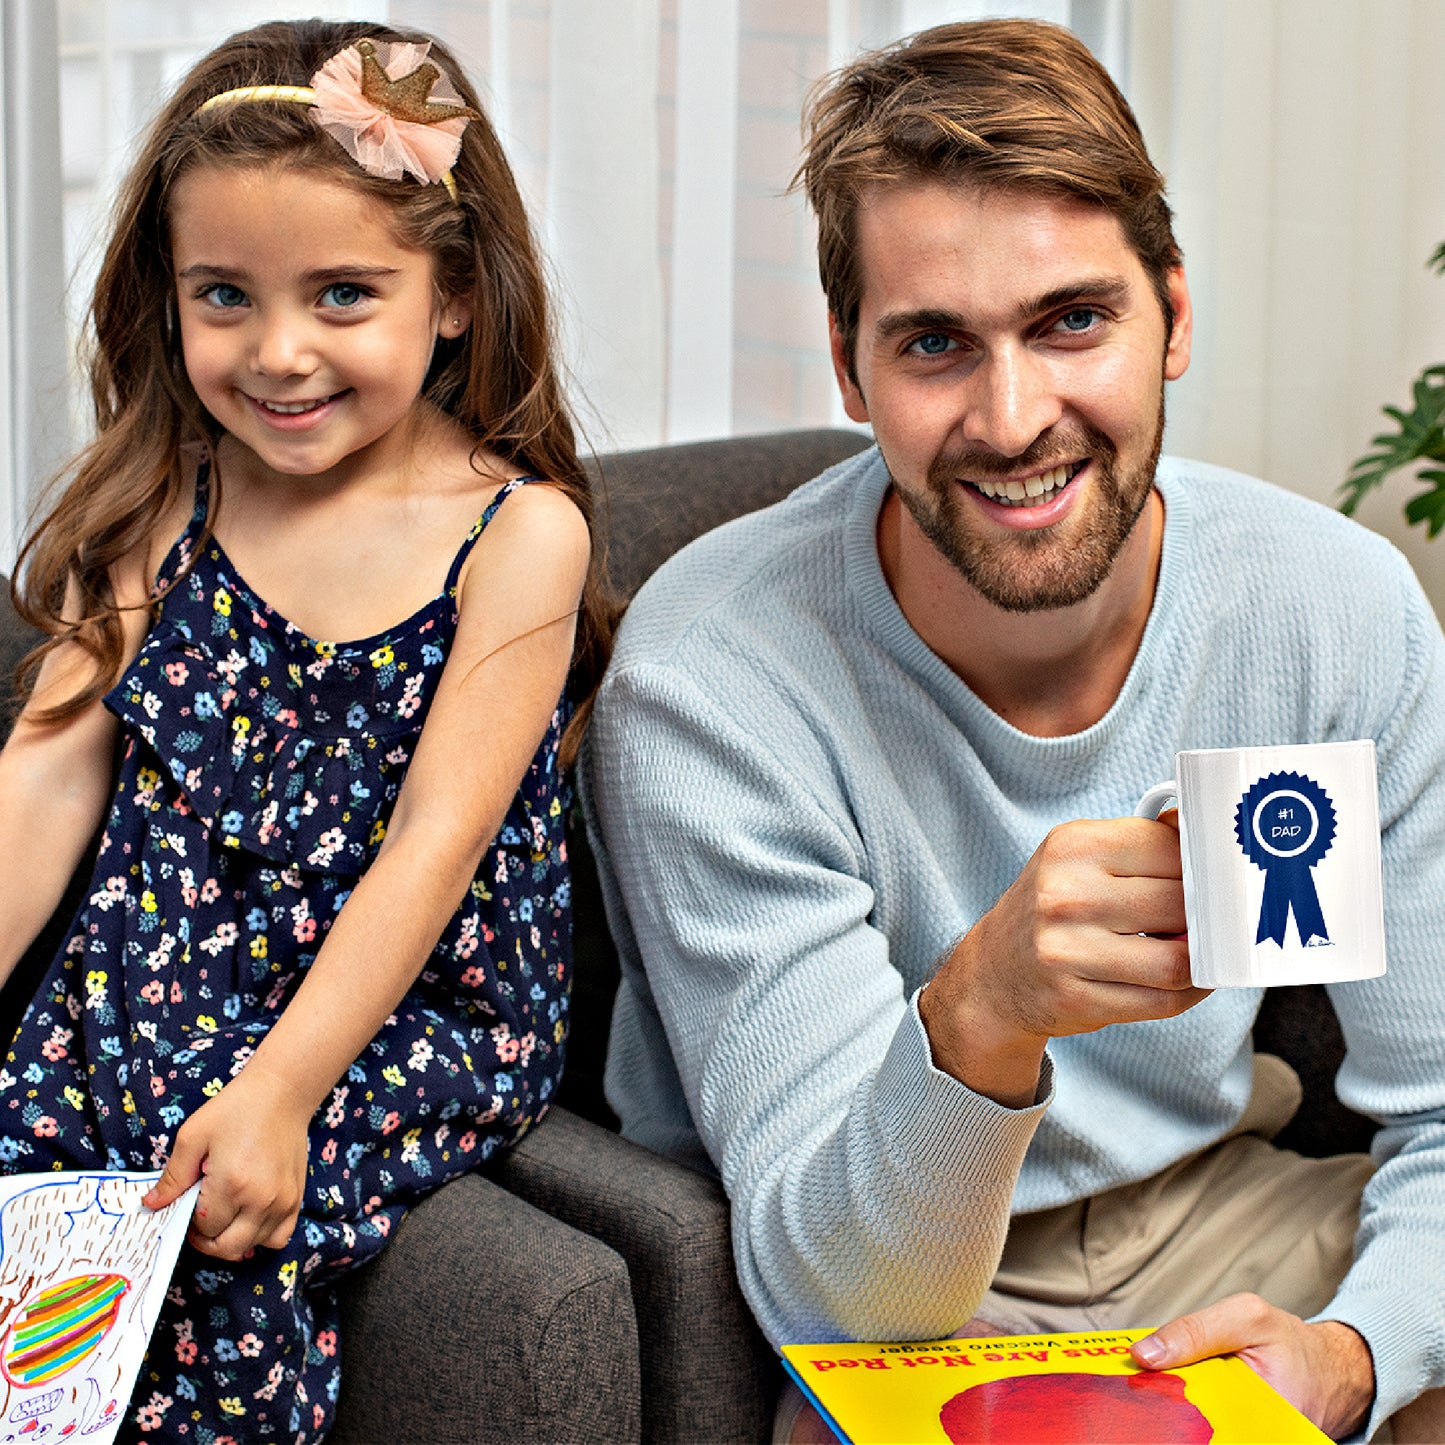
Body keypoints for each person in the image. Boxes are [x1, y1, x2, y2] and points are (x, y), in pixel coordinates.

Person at [582, 19, 1445, 1444]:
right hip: (907, 1291)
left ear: (1171, 311)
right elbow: (832, 1294)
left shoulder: (1331, 607)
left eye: (1071, 320)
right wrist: (978, 1011)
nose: (1011, 415)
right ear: (852, 375)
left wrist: (1352, 1352)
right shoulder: (711, 669)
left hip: (1233, 1215)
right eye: (933, 344)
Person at [0, 18, 608, 1442]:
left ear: (452, 293)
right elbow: (47, 769)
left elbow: (435, 844)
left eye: (343, 294)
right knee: (35, 1166)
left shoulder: (517, 535)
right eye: (226, 296)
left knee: (214, 1239)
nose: (280, 354)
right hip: (150, 981)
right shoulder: (166, 500)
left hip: (396, 1014)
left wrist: (278, 1091)